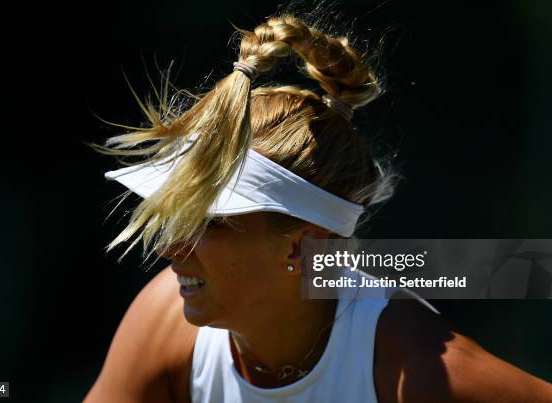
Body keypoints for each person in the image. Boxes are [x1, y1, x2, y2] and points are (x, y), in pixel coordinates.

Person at [84, 12, 552, 403]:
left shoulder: (420, 372)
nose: (169, 248)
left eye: (210, 223)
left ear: (302, 245)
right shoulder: (162, 318)